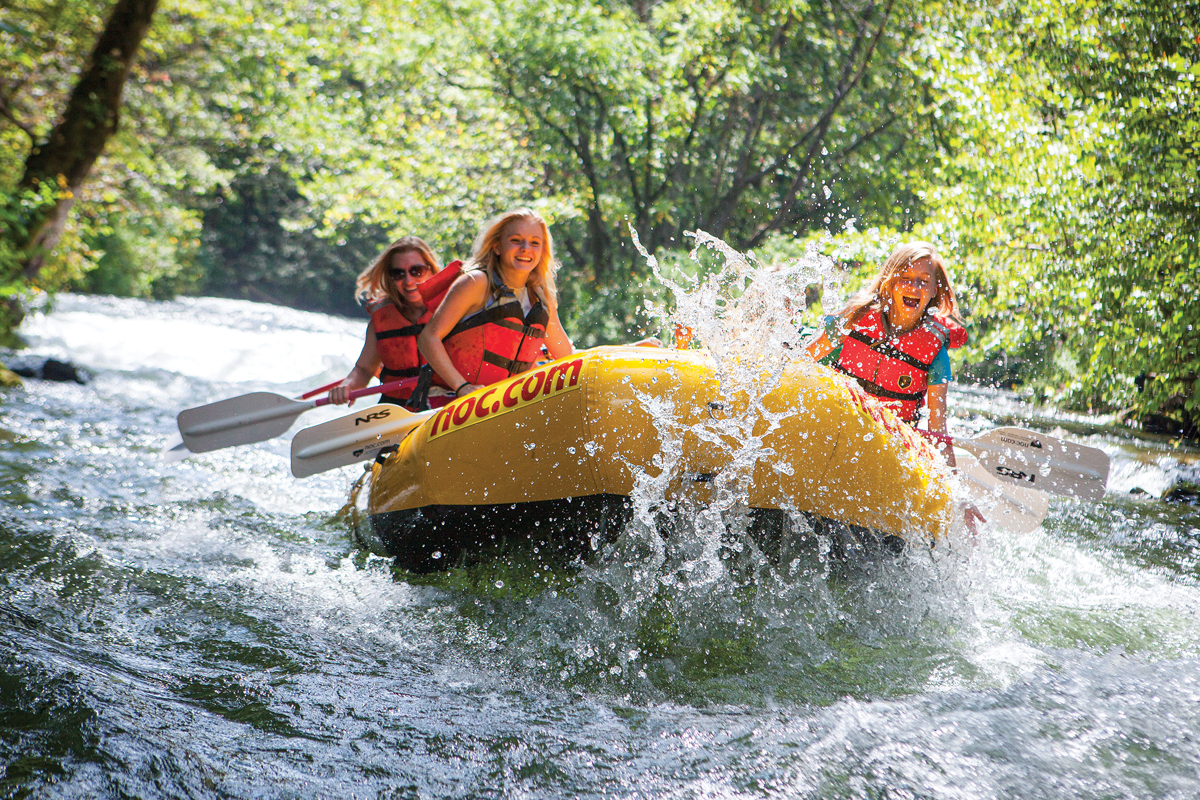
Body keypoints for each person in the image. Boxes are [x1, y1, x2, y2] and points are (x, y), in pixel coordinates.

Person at [804, 241, 967, 435]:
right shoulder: (854, 317)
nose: (914, 286)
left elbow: (938, 432)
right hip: (834, 423)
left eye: (924, 281)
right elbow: (802, 361)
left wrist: (949, 466)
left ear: (935, 290)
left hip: (888, 444)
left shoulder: (935, 353)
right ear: (890, 282)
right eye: (905, 277)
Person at [417, 208, 574, 397]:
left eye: (535, 243)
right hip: (455, 400)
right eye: (516, 240)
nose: (525, 248)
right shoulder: (476, 283)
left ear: (542, 252)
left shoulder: (542, 296)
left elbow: (565, 357)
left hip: (507, 405)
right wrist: (462, 387)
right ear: (497, 246)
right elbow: (428, 338)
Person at [329, 236, 451, 407]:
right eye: (398, 273)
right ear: (391, 278)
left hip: (446, 408)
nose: (408, 280)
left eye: (417, 271)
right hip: (397, 410)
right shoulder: (382, 320)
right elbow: (364, 370)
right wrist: (347, 386)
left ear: (431, 270)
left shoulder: (454, 307)